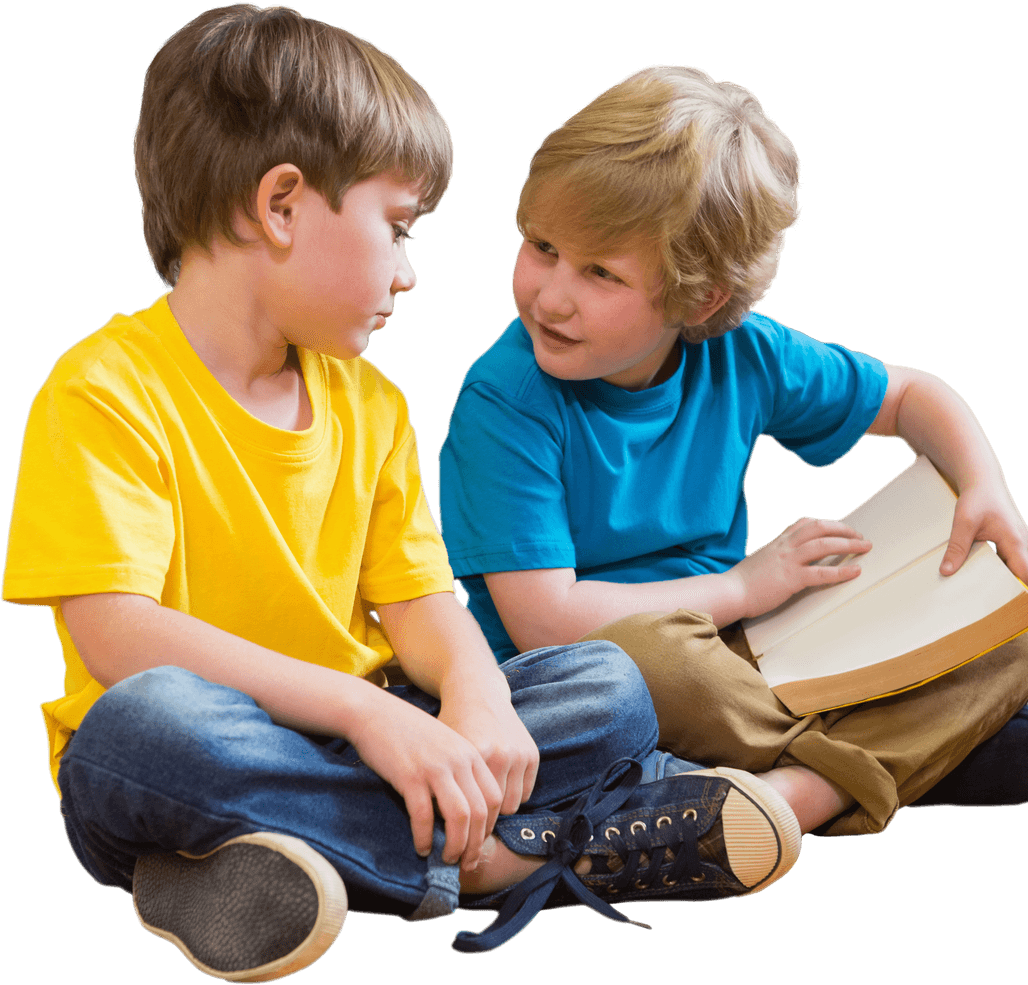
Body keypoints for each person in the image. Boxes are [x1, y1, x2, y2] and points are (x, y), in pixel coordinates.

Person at [1, 12, 805, 979]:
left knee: (610, 687)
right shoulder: (103, 390)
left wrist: (473, 694)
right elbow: (119, 638)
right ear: (282, 205)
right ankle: (502, 858)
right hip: (203, 750)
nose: (410, 272)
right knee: (142, 730)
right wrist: (368, 717)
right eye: (397, 227)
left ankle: (254, 860)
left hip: (376, 729)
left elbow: (420, 602)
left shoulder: (371, 403)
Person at [439, 65, 1028, 841]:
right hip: (592, 674)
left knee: (1014, 640)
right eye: (542, 246)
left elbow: (911, 396)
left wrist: (983, 483)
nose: (550, 295)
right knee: (648, 665)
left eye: (600, 272)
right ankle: (885, 760)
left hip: (741, 648)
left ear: (699, 299)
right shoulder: (506, 401)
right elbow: (547, 622)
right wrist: (743, 585)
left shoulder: (745, 353)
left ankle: (784, 791)